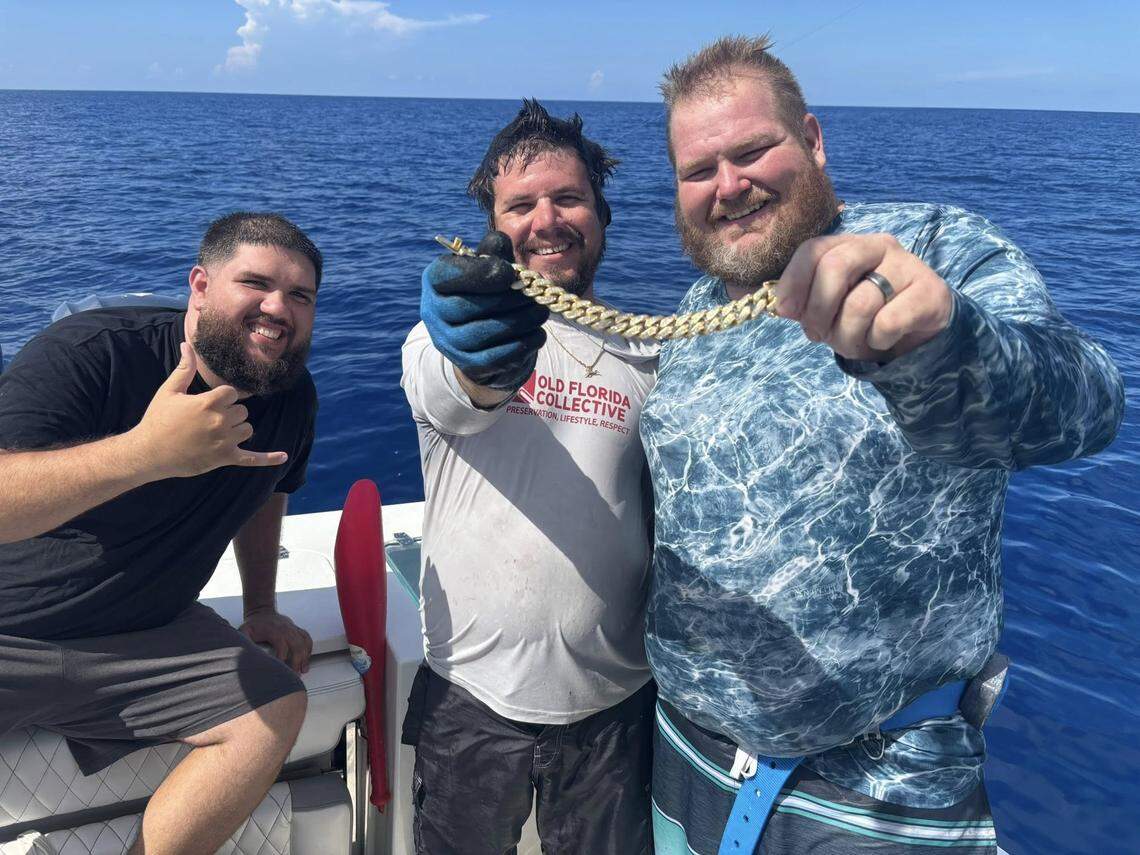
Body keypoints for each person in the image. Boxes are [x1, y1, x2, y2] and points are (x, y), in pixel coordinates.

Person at [640, 36, 1125, 855]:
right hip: (685, 761)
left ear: (814, 140)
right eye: (698, 170)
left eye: (753, 149)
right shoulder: (688, 320)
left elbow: (1083, 401)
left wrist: (942, 344)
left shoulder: (933, 247)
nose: (728, 185)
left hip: (880, 796)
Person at [0, 212, 322, 855]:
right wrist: (143, 454)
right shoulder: (92, 352)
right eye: (255, 283)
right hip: (9, 630)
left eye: (301, 296)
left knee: (274, 709)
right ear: (200, 285)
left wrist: (261, 607)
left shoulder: (291, 396)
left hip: (144, 636)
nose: (277, 308)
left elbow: (269, 490)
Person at [400, 99, 658, 854]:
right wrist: (485, 362)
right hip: (472, 703)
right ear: (493, 225)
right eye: (521, 204)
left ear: (602, 215)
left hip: (616, 708)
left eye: (568, 198)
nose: (546, 219)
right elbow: (458, 394)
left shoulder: (648, 357)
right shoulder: (441, 335)